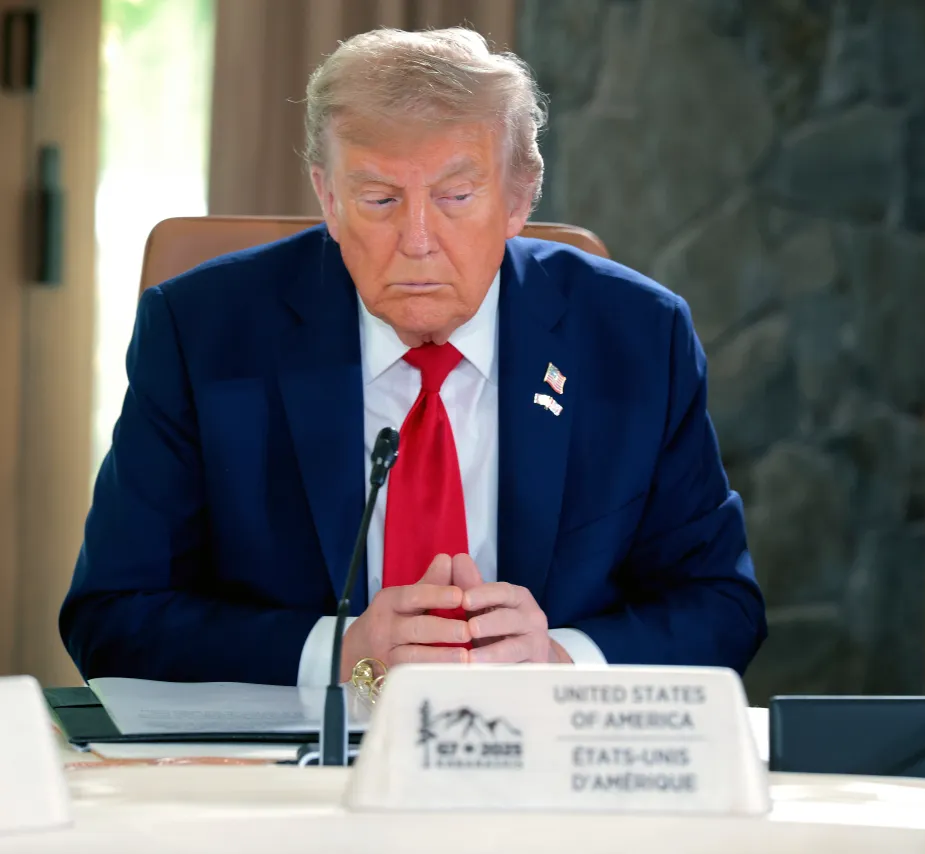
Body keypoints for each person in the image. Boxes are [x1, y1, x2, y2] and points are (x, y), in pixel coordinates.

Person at [60, 27, 766, 686]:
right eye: (379, 198)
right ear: (328, 199)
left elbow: (722, 607)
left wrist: (558, 658)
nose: (418, 239)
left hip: (544, 775)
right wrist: (334, 655)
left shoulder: (637, 338)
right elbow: (111, 615)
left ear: (520, 197)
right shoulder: (202, 332)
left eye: (456, 196)